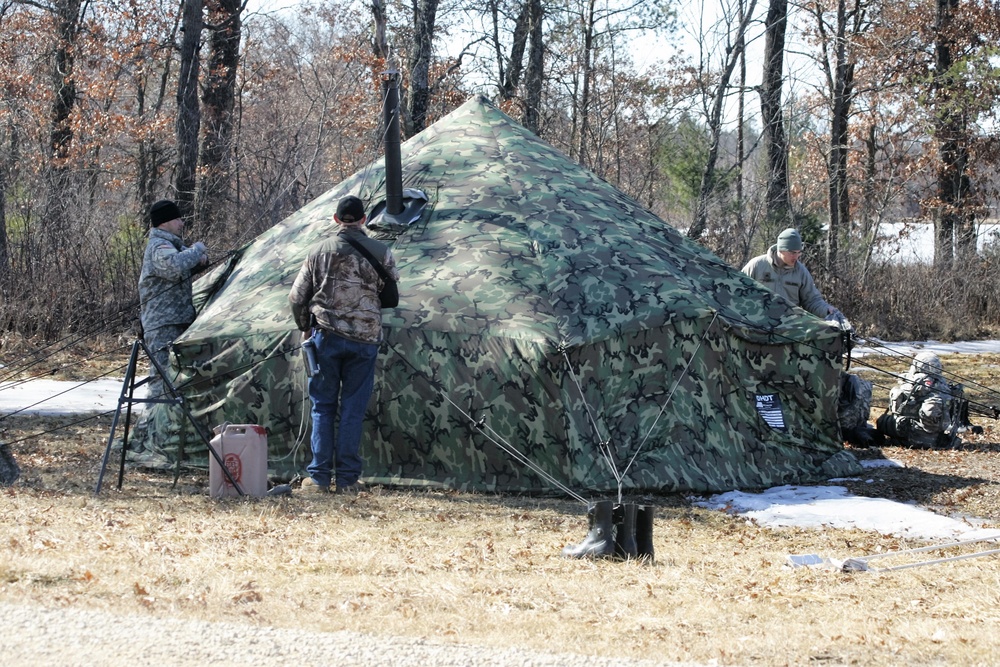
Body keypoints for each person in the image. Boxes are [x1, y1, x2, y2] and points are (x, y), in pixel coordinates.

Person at [288, 195, 400, 494]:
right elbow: (391, 294)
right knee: (352, 408)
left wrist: (304, 326)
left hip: (325, 336)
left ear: (336, 220)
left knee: (323, 407)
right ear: (364, 219)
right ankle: (349, 479)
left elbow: (297, 297)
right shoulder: (381, 251)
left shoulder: (318, 252)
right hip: (365, 339)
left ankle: (319, 479)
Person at [132, 200, 209, 458]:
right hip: (163, 325)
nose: (182, 223)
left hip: (176, 321)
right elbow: (174, 265)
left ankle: (161, 437)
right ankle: (147, 440)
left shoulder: (171, 246)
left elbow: (181, 266)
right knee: (161, 381)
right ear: (165, 221)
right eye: (178, 219)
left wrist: (198, 259)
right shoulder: (159, 246)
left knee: (172, 382)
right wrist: (197, 249)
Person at [741, 228, 843, 321]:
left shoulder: (801, 272)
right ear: (781, 250)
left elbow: (812, 300)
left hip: (790, 329)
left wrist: (826, 310)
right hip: (758, 326)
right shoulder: (756, 266)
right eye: (792, 253)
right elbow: (738, 291)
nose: (796, 256)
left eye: (799, 252)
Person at [876, 351, 967, 449]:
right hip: (925, 439)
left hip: (898, 432)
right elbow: (940, 423)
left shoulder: (905, 381)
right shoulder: (939, 386)